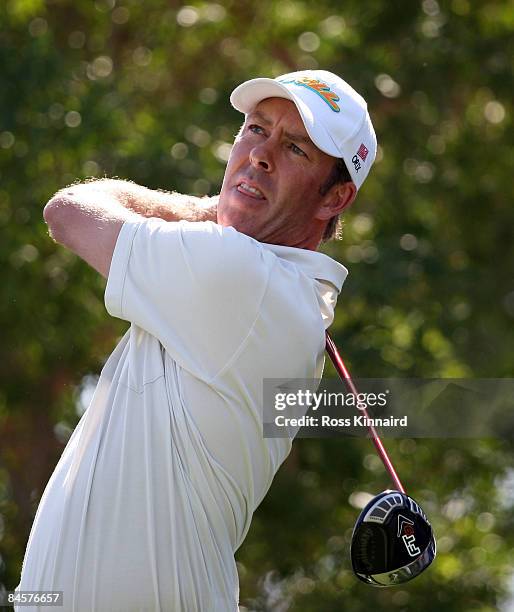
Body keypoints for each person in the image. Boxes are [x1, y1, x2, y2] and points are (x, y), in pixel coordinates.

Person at [16, 69, 376, 611]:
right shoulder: (269, 287)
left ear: (335, 198)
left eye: (296, 149)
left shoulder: (240, 278)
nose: (260, 154)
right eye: (256, 129)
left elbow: (68, 210)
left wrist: (213, 209)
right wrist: (237, 209)